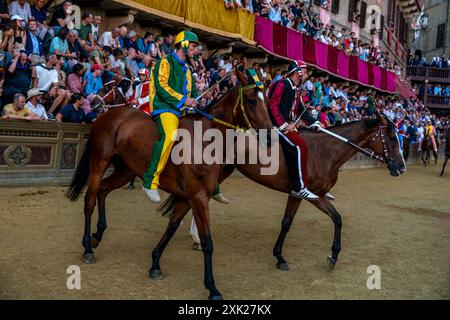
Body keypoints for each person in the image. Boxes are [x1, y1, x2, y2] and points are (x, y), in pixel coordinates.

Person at [268, 60, 334, 201]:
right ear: (296, 72)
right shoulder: (282, 84)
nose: (306, 74)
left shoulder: (297, 89)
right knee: (300, 146)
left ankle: (313, 184)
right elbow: (272, 105)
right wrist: (283, 124)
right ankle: (298, 187)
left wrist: (314, 122)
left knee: (310, 144)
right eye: (304, 71)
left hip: (289, 126)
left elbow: (300, 110)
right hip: (276, 126)